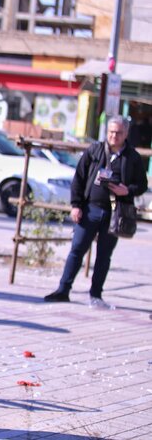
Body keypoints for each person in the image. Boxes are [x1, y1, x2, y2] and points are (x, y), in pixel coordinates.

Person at [44, 116, 148, 308]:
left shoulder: (132, 157)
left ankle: (96, 294)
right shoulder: (95, 150)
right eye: (111, 132)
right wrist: (76, 205)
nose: (114, 136)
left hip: (115, 214)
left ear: (126, 134)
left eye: (118, 133)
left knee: (103, 256)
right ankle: (63, 290)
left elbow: (142, 184)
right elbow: (79, 178)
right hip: (90, 209)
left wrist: (128, 190)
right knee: (77, 250)